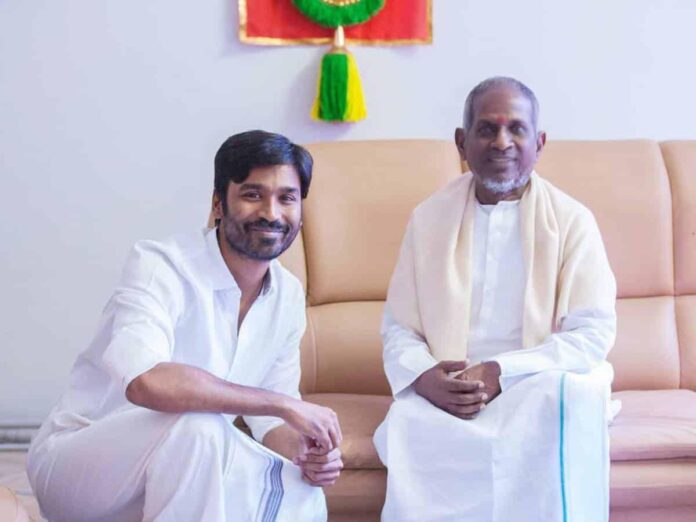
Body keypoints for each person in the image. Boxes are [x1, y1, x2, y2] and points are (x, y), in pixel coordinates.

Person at [26, 130, 343, 522]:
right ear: (218, 204)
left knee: (300, 490)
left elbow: (271, 423)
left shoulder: (288, 295)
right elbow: (146, 381)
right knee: (198, 426)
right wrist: (282, 404)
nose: (271, 213)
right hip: (79, 468)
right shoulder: (160, 265)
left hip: (187, 469)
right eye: (252, 194)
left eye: (286, 198)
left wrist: (306, 452)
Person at [374, 77, 617, 521]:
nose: (502, 142)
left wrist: (503, 371)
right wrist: (424, 377)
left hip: (536, 380)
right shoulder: (429, 219)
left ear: (539, 143)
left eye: (516, 129)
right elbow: (399, 328)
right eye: (487, 129)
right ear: (461, 142)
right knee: (409, 422)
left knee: (568, 396)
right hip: (455, 387)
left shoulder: (573, 221)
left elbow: (593, 334)